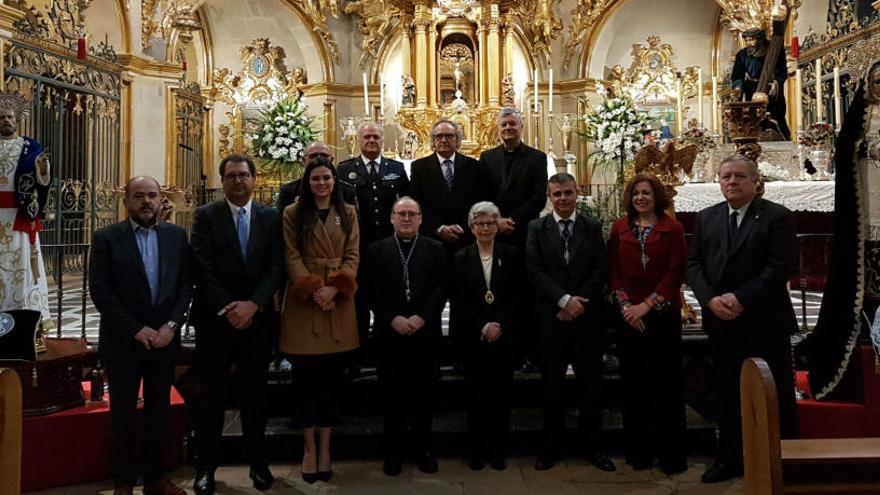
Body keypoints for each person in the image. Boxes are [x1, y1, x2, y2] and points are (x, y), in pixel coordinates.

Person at [686, 154, 798, 483]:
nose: (731, 182)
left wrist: (740, 297)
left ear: (754, 182)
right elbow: (694, 264)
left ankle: (784, 458)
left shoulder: (777, 217)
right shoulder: (707, 217)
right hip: (722, 321)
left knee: (772, 393)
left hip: (764, 320)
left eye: (738, 176)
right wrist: (709, 300)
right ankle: (731, 458)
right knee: (727, 392)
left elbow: (780, 267)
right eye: (726, 177)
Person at [89, 176, 191, 495]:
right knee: (122, 414)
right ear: (126, 201)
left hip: (163, 340)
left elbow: (185, 286)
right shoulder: (107, 237)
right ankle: (123, 481)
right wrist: (135, 328)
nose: (146, 202)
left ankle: (155, 478)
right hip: (123, 341)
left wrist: (170, 326)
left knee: (159, 412)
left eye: (152, 195)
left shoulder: (176, 236)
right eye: (139, 196)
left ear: (162, 199)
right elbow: (100, 291)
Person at [190, 154, 284, 495]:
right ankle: (205, 468)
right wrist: (230, 307)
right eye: (231, 176)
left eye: (244, 175)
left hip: (257, 322)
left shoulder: (270, 217)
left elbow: (277, 265)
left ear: (254, 179)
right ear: (223, 180)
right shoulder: (205, 216)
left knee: (255, 396)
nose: (238, 181)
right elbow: (201, 266)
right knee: (211, 398)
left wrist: (254, 304)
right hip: (216, 320)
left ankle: (259, 464)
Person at [525, 173, 615, 472]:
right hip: (551, 317)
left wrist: (578, 302)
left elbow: (600, 268)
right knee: (551, 386)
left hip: (586, 317)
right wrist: (563, 301)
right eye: (557, 194)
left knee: (591, 384)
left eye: (567, 193)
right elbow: (534, 270)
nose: (563, 199)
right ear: (549, 197)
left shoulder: (591, 226)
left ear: (577, 194)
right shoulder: (536, 228)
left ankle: (593, 447)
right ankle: (551, 447)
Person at [280, 156, 359, 484]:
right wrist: (314, 288)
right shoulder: (293, 213)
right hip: (305, 301)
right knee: (305, 379)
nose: (322, 183)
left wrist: (336, 288)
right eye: (316, 179)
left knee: (331, 380)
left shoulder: (350, 213)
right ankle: (308, 447)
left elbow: (354, 254)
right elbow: (290, 254)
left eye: (327, 178)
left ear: (335, 181)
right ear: (307, 182)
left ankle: (326, 446)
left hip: (337, 302)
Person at [607, 173, 688, 475]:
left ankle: (670, 455)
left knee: (665, 386)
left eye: (646, 193)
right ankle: (638, 452)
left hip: (661, 315)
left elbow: (675, 270)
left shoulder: (672, 228)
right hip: (629, 317)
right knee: (634, 385)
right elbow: (613, 270)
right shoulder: (619, 228)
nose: (640, 198)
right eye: (636, 193)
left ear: (657, 197)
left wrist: (647, 305)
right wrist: (627, 306)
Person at [362, 196, 448, 476]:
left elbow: (442, 288)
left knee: (424, 394)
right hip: (390, 333)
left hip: (426, 332)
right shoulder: (376, 250)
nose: (407, 219)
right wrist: (393, 318)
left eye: (412, 214)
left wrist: (422, 317)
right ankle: (393, 451)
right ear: (392, 219)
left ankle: (424, 448)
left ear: (421, 218)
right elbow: (371, 290)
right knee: (392, 395)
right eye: (402, 214)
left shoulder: (436, 249)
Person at [451, 201, 523, 472]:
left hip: (504, 335)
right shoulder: (460, 257)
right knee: (476, 397)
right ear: (471, 227)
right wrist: (483, 325)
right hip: (474, 336)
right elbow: (458, 299)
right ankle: (477, 450)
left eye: (490, 222)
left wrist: (499, 323)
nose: (485, 227)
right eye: (479, 223)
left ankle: (499, 450)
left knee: (502, 397)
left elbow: (518, 295)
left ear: (498, 225)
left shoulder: (512, 255)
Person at [337, 122, 408, 355]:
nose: (371, 141)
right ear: (358, 140)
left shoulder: (396, 168)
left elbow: (405, 202)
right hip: (358, 245)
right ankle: (359, 352)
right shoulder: (345, 169)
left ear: (382, 140)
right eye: (366, 137)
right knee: (359, 300)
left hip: (388, 245)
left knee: (389, 296)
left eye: (376, 137)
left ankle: (386, 349)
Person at [0, 91, 51, 361]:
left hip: (18, 220)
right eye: (2, 117)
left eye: (10, 116)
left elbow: (41, 181)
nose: (6, 120)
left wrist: (43, 170)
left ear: (18, 119)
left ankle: (28, 331)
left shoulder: (29, 147)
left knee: (22, 274)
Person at [409, 119, 493, 254]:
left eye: (449, 136)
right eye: (439, 136)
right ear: (433, 140)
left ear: (457, 140)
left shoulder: (473, 166)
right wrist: (440, 228)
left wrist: (463, 226)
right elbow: (418, 202)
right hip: (432, 238)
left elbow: (479, 200)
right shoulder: (419, 167)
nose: (443, 140)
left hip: (466, 237)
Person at [479, 107, 548, 250]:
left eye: (512, 124)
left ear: (521, 127)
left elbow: (538, 196)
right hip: (493, 229)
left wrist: (512, 220)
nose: (507, 128)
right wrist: (497, 220)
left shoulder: (537, 158)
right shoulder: (487, 157)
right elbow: (482, 193)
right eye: (503, 125)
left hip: (524, 228)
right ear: (498, 128)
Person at [731, 28, 791, 139]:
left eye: (751, 40)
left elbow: (782, 71)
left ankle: (781, 138)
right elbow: (737, 75)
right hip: (751, 89)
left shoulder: (774, 52)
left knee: (775, 115)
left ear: (759, 39)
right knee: (753, 117)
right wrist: (738, 87)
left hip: (770, 88)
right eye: (747, 40)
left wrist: (776, 83)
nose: (748, 43)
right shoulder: (742, 55)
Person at [276, 142, 356, 211]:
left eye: (323, 155)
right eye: (313, 156)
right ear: (303, 161)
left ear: (331, 160)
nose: (318, 159)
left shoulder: (346, 191)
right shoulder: (288, 191)